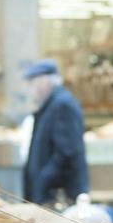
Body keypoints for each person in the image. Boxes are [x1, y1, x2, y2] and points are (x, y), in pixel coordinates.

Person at [22, 59, 89, 206]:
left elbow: (66, 152)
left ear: (44, 81)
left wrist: (43, 180)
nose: (31, 89)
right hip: (50, 193)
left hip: (58, 196)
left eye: (33, 83)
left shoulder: (62, 105)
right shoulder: (50, 105)